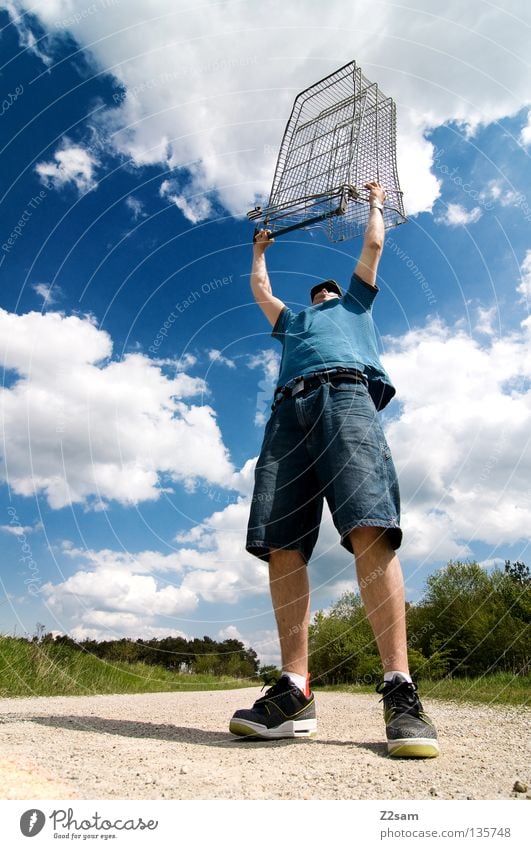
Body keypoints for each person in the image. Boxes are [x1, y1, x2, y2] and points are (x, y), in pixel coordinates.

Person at [229, 182, 439, 758]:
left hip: (347, 396)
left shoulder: (355, 305)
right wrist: (260, 249)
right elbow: (261, 290)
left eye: (328, 286)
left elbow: (373, 246)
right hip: (288, 410)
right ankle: (296, 691)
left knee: (369, 522)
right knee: (280, 539)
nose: (323, 290)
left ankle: (399, 687)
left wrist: (375, 201)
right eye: (317, 289)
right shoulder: (292, 322)